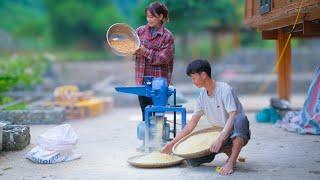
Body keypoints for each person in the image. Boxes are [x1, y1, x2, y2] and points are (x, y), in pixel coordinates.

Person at [162, 59, 251, 175]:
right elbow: (191, 124)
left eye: (193, 78)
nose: (192, 81)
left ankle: (231, 161)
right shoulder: (201, 97)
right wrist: (172, 143)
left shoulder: (225, 90)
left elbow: (233, 115)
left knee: (241, 119)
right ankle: (228, 149)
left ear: (203, 75)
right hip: (218, 135)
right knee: (192, 161)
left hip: (236, 132)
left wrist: (220, 139)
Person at [135, 2, 175, 121]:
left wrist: (144, 51)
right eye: (147, 16)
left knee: (158, 116)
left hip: (159, 82)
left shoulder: (167, 37)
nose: (149, 19)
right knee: (145, 114)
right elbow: (132, 49)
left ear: (161, 16)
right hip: (141, 80)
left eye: (152, 16)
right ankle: (147, 138)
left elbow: (163, 58)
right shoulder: (140, 32)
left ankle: (159, 138)